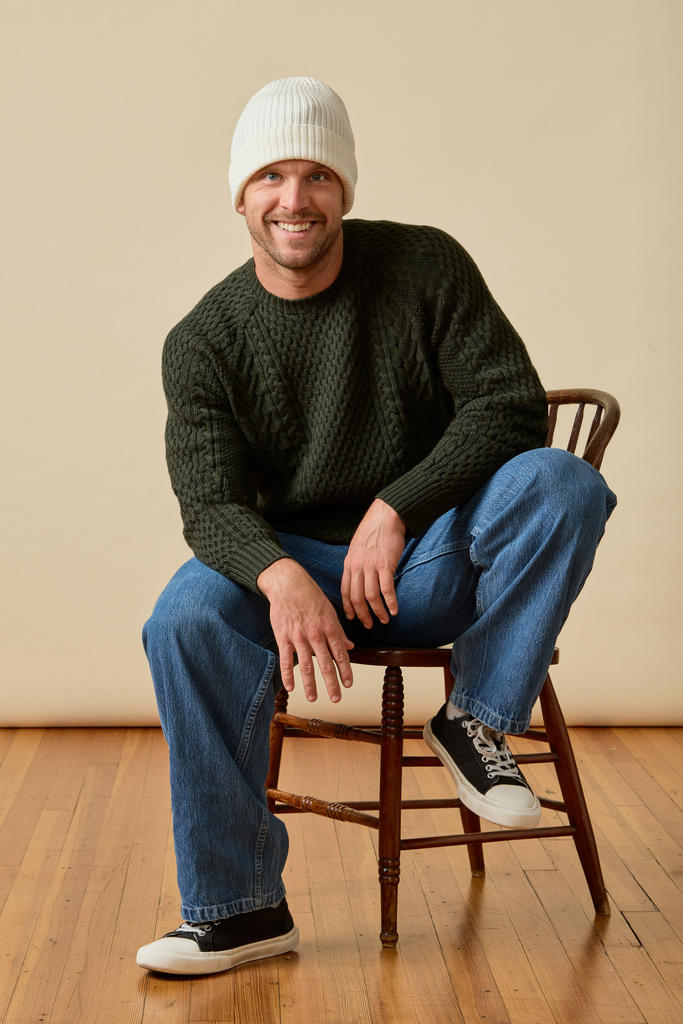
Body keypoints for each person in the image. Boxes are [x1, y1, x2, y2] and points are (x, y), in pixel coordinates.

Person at [136, 77, 616, 975]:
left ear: (345, 189)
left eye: (316, 175)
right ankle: (237, 910)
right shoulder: (202, 339)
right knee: (183, 621)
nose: (293, 199)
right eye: (271, 177)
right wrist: (280, 578)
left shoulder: (424, 265)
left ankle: (476, 722)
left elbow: (507, 407)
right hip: (295, 572)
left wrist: (396, 508)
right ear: (240, 195)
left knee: (562, 483)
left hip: (430, 560)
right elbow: (210, 503)